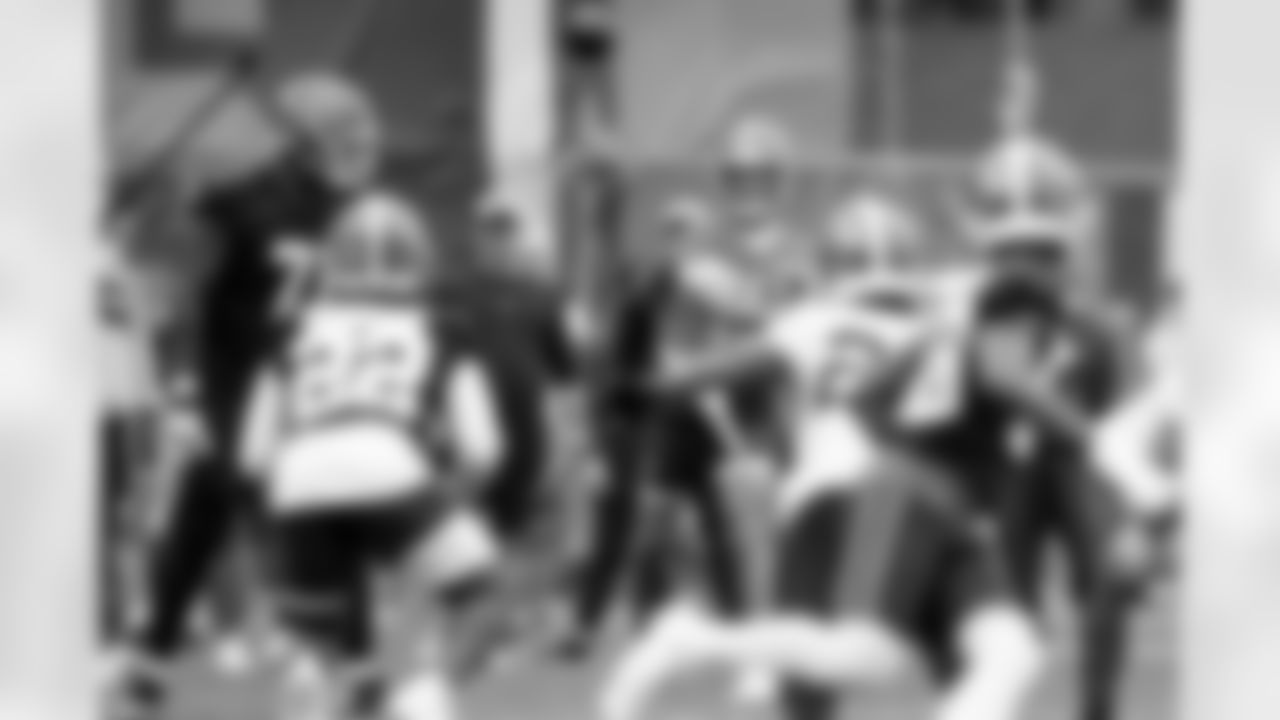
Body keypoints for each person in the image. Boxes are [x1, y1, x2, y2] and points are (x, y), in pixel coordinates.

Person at [601, 192, 1047, 720]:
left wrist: (634, 387)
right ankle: (697, 641)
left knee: (841, 680)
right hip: (909, 496)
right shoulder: (940, 322)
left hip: (829, 496)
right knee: (955, 659)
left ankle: (695, 640)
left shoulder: (811, 321)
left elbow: (695, 379)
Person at [110, 71, 385, 713]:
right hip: (238, 383)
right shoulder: (246, 202)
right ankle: (338, 659)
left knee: (206, 516)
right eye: (343, 131)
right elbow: (176, 281)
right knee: (298, 509)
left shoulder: (341, 210)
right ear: (301, 138)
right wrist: (183, 384)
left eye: (359, 131)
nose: (358, 144)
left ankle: (152, 657)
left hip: (300, 383)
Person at [239, 189, 506, 720]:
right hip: (389, 465)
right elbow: (484, 450)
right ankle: (424, 701)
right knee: (483, 605)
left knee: (323, 650)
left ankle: (316, 690)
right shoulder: (444, 327)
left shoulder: (291, 328)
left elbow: (252, 456)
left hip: (299, 478)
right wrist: (441, 504)